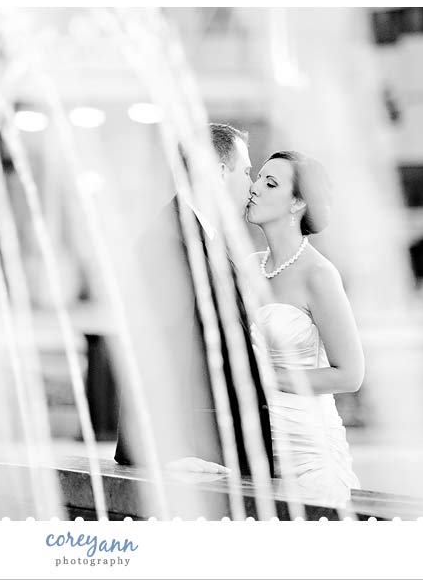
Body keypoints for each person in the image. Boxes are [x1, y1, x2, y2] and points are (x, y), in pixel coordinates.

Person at [114, 123, 275, 479]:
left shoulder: (202, 236)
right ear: (219, 172)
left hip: (223, 447)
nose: (251, 185)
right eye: (246, 171)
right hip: (200, 456)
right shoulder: (167, 241)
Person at [243, 150, 362, 503]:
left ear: (297, 203)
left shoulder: (319, 274)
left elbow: (349, 375)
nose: (254, 188)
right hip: (257, 454)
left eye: (271, 182)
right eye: (257, 177)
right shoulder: (249, 267)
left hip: (310, 456)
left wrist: (262, 378)